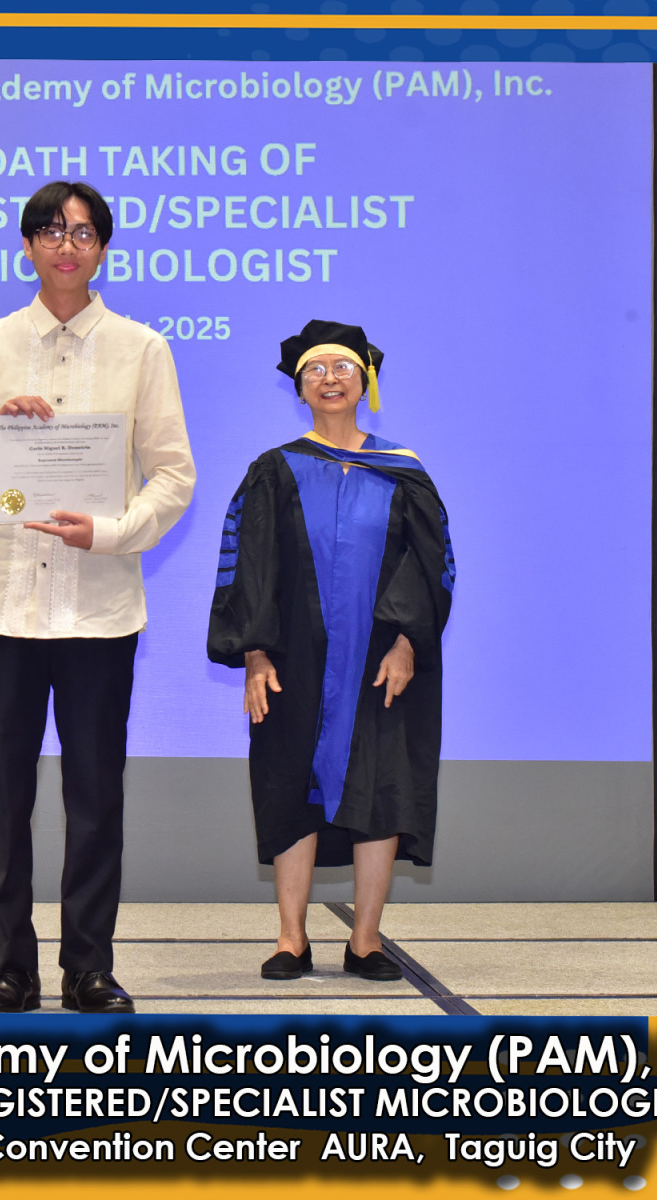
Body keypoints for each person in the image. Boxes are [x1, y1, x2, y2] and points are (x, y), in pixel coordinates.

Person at [0, 182, 195, 1013]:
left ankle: (89, 967)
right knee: (3, 801)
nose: (66, 245)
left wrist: (112, 532)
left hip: (100, 607)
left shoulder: (141, 348)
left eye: (82, 232)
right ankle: (9, 968)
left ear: (102, 248)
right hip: (2, 609)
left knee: (95, 798)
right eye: (50, 231)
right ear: (27, 247)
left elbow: (174, 475)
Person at [207, 320, 454, 983]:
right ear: (299, 389)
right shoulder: (273, 471)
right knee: (290, 786)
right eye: (315, 370)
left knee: (383, 789)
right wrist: (255, 655)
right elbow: (247, 566)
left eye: (343, 367)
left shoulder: (405, 472)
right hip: (294, 661)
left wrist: (407, 643)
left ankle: (365, 941)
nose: (330, 378)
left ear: (364, 381)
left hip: (381, 662)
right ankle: (292, 938)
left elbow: (430, 563)